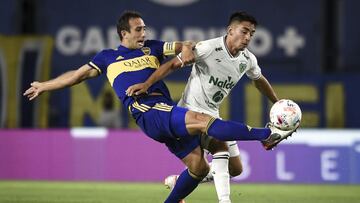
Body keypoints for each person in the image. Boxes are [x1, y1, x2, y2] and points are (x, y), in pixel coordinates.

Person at [24, 10, 295, 203]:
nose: (144, 33)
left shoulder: (152, 48)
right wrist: (45, 85)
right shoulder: (107, 57)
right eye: (139, 29)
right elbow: (77, 75)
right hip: (148, 111)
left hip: (164, 109)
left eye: (145, 28)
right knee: (205, 123)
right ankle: (265, 134)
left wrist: (187, 48)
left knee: (199, 168)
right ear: (124, 33)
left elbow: (185, 46)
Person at [126, 11, 296, 203]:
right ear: (231, 30)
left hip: (212, 114)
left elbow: (258, 80)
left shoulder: (247, 59)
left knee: (236, 169)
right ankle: (225, 200)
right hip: (191, 112)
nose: (248, 37)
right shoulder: (208, 48)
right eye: (244, 31)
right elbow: (173, 64)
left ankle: (182, 181)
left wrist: (277, 102)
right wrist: (147, 85)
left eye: (252, 34)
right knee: (220, 148)